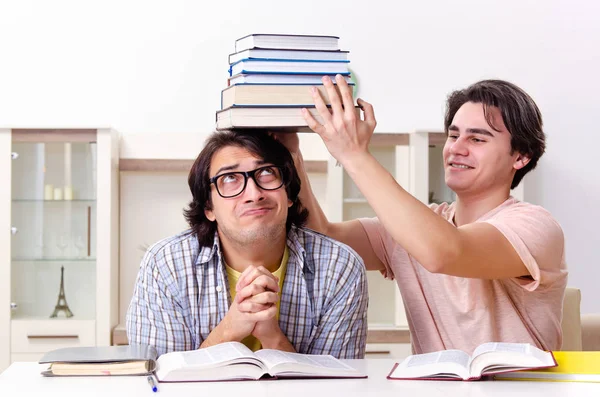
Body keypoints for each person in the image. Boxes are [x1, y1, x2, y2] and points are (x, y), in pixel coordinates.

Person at [280, 76, 567, 355]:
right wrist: (292, 157)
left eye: (477, 139)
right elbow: (322, 241)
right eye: (453, 135)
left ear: (521, 156)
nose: (456, 148)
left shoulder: (536, 227)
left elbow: (445, 252)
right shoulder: (416, 228)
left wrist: (354, 155)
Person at [126, 130, 368, 358]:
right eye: (229, 178)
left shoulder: (339, 267)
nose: (254, 194)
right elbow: (158, 383)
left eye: (266, 173)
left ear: (290, 194)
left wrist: (272, 337)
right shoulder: (166, 265)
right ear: (209, 207)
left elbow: (337, 388)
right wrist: (229, 329)